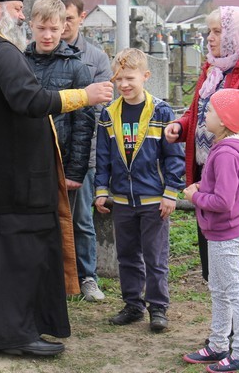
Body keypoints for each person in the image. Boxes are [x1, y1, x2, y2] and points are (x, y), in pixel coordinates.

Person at [0, 0, 113, 356]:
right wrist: (82, 96)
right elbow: (31, 101)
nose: (22, 16)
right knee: (17, 257)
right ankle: (18, 335)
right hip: (10, 182)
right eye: (19, 9)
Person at [165, 6, 239, 340]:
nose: (211, 37)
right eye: (210, 31)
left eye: (218, 31)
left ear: (235, 34)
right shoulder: (211, 71)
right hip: (211, 176)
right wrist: (181, 125)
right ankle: (226, 327)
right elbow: (201, 113)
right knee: (217, 256)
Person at [94, 48, 185, 333]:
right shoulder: (109, 114)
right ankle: (133, 304)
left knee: (155, 256)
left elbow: (174, 156)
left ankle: (157, 307)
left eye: (130, 78)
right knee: (127, 255)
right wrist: (100, 189)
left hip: (153, 198)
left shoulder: (161, 111)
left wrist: (171, 191)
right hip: (122, 199)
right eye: (118, 79)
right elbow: (103, 158)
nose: (124, 84)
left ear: (145, 76)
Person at [182, 89, 239, 373]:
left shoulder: (227, 153)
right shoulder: (223, 148)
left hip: (227, 233)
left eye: (212, 111)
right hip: (218, 233)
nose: (205, 114)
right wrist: (203, 186)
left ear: (226, 120)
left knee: (237, 293)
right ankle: (218, 344)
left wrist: (195, 197)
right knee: (219, 290)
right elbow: (221, 187)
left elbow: (223, 201)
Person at [24, 0, 95, 269]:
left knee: (66, 222)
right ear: (31, 25)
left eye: (54, 29)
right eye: (42, 28)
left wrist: (75, 171)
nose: (47, 35)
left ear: (63, 26)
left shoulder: (76, 67)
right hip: (27, 159)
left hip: (62, 159)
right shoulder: (19, 62)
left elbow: (83, 123)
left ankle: (71, 278)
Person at [55, 0, 112, 302]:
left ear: (81, 18)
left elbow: (102, 107)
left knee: (81, 219)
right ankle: (56, 276)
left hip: (85, 152)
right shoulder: (41, 52)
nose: (63, 25)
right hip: (50, 150)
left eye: (69, 19)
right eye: (58, 18)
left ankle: (87, 276)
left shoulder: (95, 57)